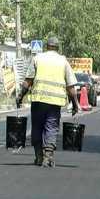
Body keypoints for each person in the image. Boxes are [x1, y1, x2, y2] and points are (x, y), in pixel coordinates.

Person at [16, 37, 79, 168]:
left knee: (37, 127)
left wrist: (20, 96)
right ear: (57, 47)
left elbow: (28, 81)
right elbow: (71, 88)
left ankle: (39, 156)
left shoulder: (38, 58)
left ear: (47, 47)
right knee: (51, 127)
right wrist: (75, 104)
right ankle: (48, 156)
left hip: (39, 100)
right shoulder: (63, 61)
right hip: (55, 103)